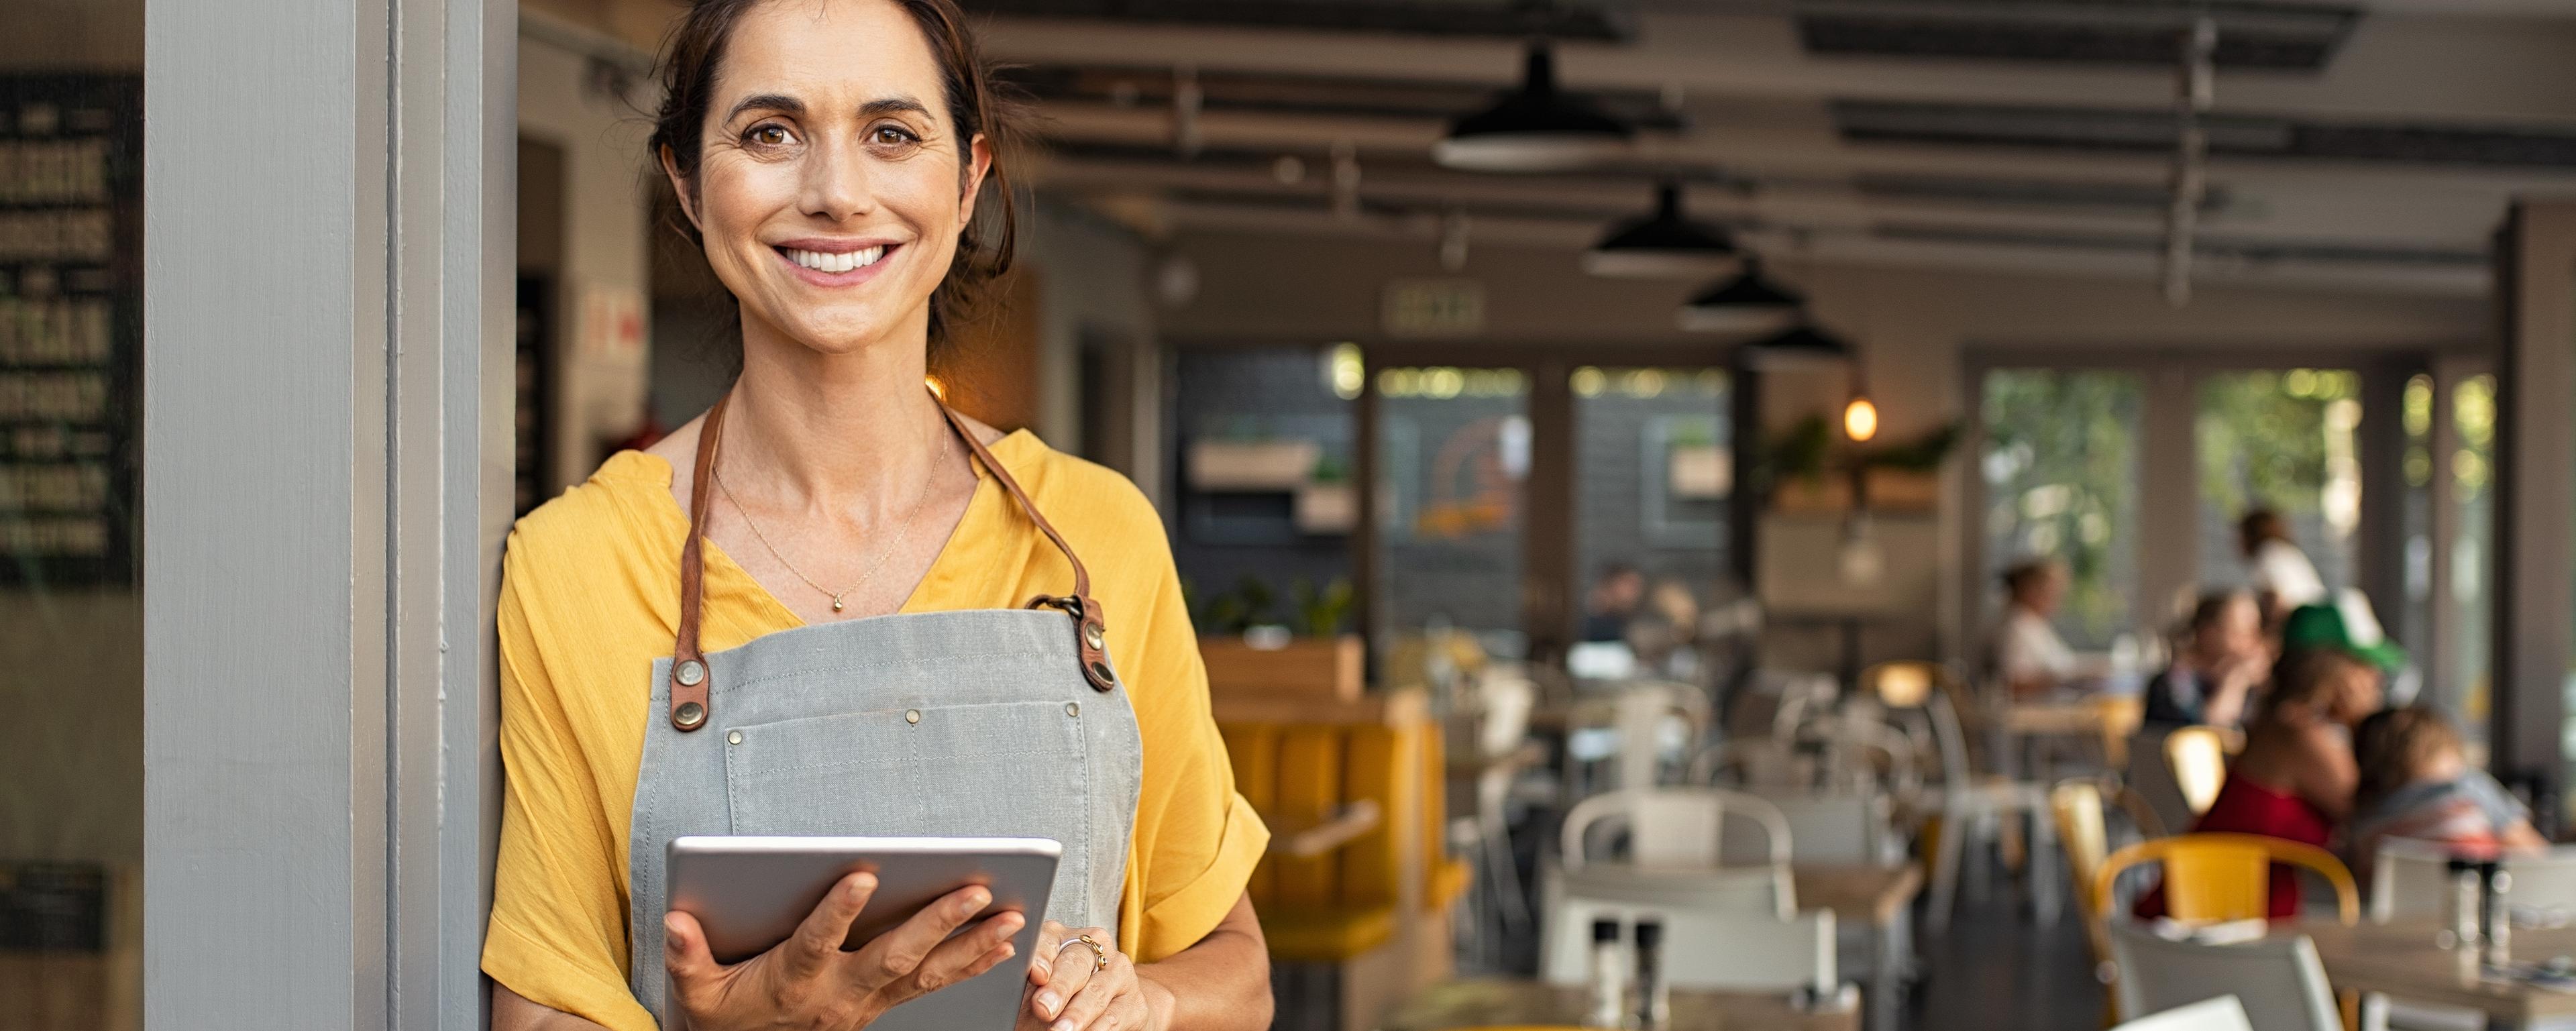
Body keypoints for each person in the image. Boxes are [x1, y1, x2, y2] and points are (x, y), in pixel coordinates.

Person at [484, 3, 1271, 1029]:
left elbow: (1238, 970)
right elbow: (542, 1008)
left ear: (967, 179)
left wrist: (1147, 1002)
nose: (837, 193)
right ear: (684, 177)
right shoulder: (578, 564)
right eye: (770, 132)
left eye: (891, 134)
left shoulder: (1094, 535)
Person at [2147, 605, 2390, 919]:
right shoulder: (2298, 735)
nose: (2377, 678)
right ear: (2329, 667)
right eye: (2364, 665)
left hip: (2224, 921)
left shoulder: (2280, 722)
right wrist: (2367, 723)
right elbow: (2381, 814)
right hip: (2202, 931)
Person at [2349, 706, 2546, 883]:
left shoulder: (2362, 822)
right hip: (2477, 911)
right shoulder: (2466, 788)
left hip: (2398, 921)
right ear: (2441, 751)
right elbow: (2538, 858)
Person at [2142, 591, 2269, 730]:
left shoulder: (2256, 685)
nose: (2253, 642)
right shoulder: (2175, 683)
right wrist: (2236, 682)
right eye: (2241, 633)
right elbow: (2205, 733)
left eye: (2257, 631)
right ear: (2208, 634)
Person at [1990, 558, 2085, 698]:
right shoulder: (2015, 627)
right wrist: (2066, 680)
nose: (2058, 598)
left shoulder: (2034, 624)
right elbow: (2014, 682)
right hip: (2028, 713)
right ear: (2029, 589)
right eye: (2051, 590)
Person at [2240, 508, 2328, 625]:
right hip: (2321, 621)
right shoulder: (2288, 552)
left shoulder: (2267, 553)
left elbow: (2277, 601)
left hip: (2301, 627)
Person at [1580, 561, 1646, 643]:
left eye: (1638, 587)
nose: (1636, 593)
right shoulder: (1580, 623)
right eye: (1630, 585)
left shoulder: (1628, 624)